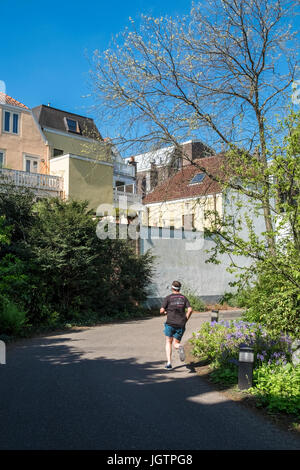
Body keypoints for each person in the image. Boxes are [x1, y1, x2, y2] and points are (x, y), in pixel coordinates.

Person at [160, 281, 193, 369]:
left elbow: (161, 310)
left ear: (172, 288)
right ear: (180, 288)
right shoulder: (184, 298)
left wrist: (166, 311)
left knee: (168, 342)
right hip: (181, 324)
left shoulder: (168, 298)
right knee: (176, 343)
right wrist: (185, 319)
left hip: (170, 323)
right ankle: (180, 347)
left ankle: (169, 364)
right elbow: (190, 310)